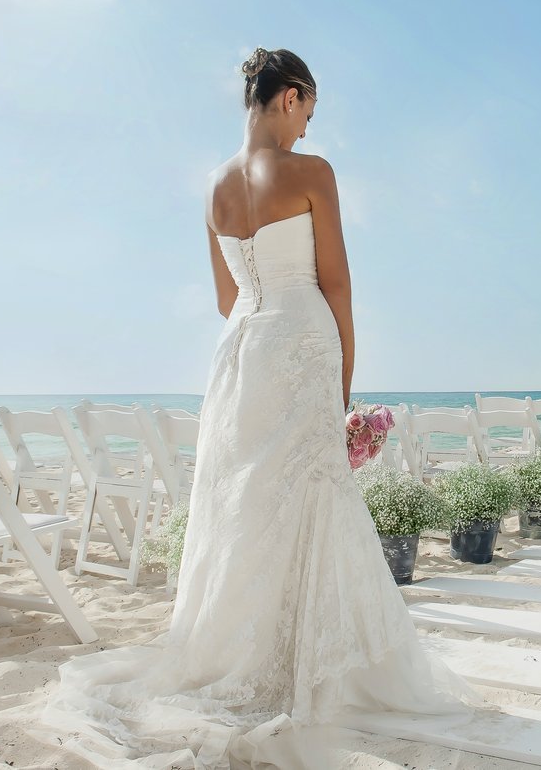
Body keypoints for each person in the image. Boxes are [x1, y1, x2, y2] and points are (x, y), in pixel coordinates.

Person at [39, 47, 480, 769]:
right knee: (306, 498)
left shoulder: (214, 186)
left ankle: (238, 655)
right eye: (308, 111)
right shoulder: (312, 174)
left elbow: (225, 299)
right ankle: (308, 670)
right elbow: (337, 285)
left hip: (240, 351)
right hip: (300, 343)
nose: (307, 127)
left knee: (244, 509)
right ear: (289, 97)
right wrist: (342, 390)